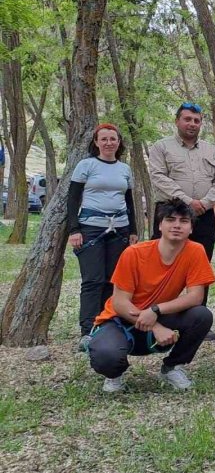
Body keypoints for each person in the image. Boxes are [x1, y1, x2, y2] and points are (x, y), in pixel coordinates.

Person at [87, 199, 215, 393]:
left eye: (184, 221)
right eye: (170, 220)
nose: (177, 225)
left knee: (201, 315)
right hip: (120, 320)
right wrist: (155, 325)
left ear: (191, 228)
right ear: (160, 225)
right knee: (107, 357)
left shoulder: (195, 251)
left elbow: (195, 297)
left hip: (156, 315)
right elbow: (120, 303)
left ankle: (172, 366)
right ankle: (114, 374)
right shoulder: (134, 253)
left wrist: (156, 310)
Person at [148, 102, 215, 337]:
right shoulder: (162, 147)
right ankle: (158, 318)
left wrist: (205, 203)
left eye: (196, 120)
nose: (192, 124)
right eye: (187, 119)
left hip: (203, 215)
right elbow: (158, 176)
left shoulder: (210, 150)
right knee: (162, 264)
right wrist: (186, 202)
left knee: (201, 265)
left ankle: (197, 319)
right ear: (177, 121)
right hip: (171, 214)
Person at [67, 123, 139, 352]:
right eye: (104, 139)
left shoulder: (124, 169)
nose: (109, 143)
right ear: (96, 142)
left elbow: (129, 202)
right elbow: (72, 199)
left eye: (113, 139)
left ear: (119, 143)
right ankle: (87, 330)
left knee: (113, 281)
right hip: (91, 229)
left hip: (120, 230)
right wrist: (74, 229)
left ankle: (107, 324)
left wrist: (134, 231)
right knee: (92, 280)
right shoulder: (86, 165)